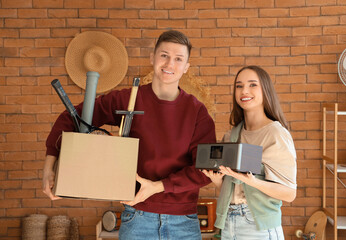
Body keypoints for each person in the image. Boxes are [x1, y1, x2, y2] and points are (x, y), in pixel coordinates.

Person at [42, 30, 216, 240]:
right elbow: (71, 117)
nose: (170, 64)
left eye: (178, 59)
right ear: (152, 58)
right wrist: (49, 168)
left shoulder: (197, 112)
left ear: (186, 67)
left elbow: (205, 170)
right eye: (164, 55)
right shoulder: (129, 99)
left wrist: (158, 187)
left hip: (183, 223)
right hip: (137, 219)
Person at [203, 65, 297, 240]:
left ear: (265, 90)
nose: (244, 90)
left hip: (257, 227)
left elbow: (290, 194)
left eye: (252, 84)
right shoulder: (232, 135)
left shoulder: (275, 133)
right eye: (239, 86)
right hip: (228, 223)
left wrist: (253, 182)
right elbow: (235, 188)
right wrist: (218, 182)